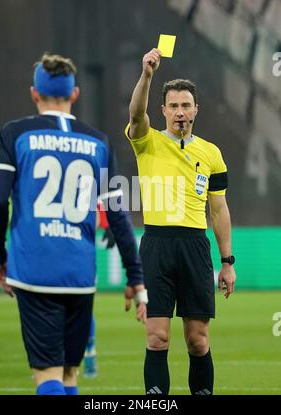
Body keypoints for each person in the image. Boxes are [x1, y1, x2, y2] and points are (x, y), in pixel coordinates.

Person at [0, 53, 147, 395]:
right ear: (75, 95)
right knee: (69, 375)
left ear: (34, 93)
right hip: (79, 273)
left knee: (46, 376)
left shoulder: (15, 134)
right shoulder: (100, 143)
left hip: (34, 269)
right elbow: (118, 214)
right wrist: (136, 277)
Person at [125, 48, 236, 395]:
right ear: (163, 111)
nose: (180, 112)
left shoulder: (211, 153)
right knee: (157, 339)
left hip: (195, 247)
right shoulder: (147, 141)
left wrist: (227, 262)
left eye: (186, 105)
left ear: (196, 109)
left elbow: (218, 210)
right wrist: (146, 74)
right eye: (173, 106)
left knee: (198, 341)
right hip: (156, 246)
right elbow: (135, 112)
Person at [83, 200, 116, 378]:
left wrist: (108, 223)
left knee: (80, 306)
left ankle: (89, 352)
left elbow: (99, 198)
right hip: (79, 257)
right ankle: (89, 354)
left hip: (80, 257)